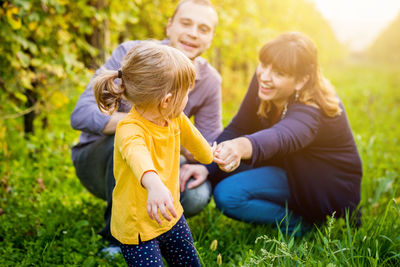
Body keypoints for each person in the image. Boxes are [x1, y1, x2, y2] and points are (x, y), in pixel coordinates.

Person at [70, 0, 221, 253]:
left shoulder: (210, 80)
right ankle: (118, 237)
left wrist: (202, 161)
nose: (194, 33)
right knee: (126, 137)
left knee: (196, 195)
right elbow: (81, 115)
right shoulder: (132, 53)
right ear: (169, 26)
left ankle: (155, 226)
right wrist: (145, 126)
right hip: (101, 158)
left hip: (158, 157)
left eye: (203, 28)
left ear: (211, 38)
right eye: (186, 23)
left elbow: (206, 140)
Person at [181, 32, 363, 233]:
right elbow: (239, 126)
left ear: (302, 80)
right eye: (264, 65)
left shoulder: (313, 108)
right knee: (220, 170)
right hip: (287, 166)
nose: (265, 76)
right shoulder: (265, 82)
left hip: (319, 183)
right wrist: (207, 166)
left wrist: (239, 147)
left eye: (279, 73)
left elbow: (282, 137)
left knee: (228, 195)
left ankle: (303, 225)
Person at [93, 42, 214, 266]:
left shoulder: (175, 117)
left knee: (189, 262)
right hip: (137, 227)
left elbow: (198, 144)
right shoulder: (129, 129)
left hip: (170, 214)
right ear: (167, 100)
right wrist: (155, 185)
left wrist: (212, 156)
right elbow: (138, 156)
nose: (187, 98)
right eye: (187, 93)